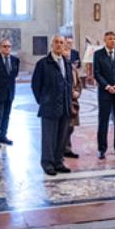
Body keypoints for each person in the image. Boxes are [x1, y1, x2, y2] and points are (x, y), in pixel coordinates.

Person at [31, 35, 73, 176]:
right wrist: (43, 101)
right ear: (52, 45)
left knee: (61, 137)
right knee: (49, 137)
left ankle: (58, 161)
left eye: (62, 42)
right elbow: (36, 85)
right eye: (56, 42)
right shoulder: (43, 63)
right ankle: (47, 163)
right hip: (49, 106)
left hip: (65, 106)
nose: (59, 45)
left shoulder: (67, 63)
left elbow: (69, 83)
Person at [93, 31, 115, 159]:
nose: (112, 41)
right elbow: (96, 73)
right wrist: (107, 86)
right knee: (103, 121)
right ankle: (101, 149)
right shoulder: (98, 54)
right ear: (105, 40)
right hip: (104, 93)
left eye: (114, 38)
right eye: (109, 39)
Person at [63, 38, 80, 159]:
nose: (68, 52)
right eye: (65, 50)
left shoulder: (72, 67)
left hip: (73, 102)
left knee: (70, 127)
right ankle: (60, 150)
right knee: (62, 128)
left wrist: (78, 92)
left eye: (69, 50)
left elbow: (78, 83)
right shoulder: (59, 66)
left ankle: (67, 148)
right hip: (63, 102)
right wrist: (70, 92)